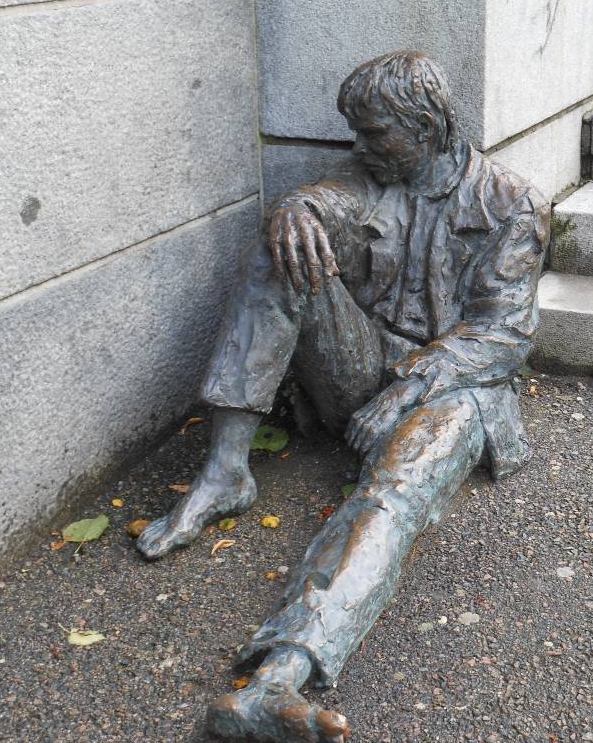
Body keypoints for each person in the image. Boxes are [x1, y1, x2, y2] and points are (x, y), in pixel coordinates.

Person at [136, 50, 548, 742]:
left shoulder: (514, 204)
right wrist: (293, 207)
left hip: (455, 389)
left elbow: (503, 335)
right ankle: (226, 471)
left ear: (427, 127)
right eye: (355, 132)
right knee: (283, 249)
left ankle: (280, 677)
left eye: (374, 132)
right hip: (359, 370)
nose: (358, 146)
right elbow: (327, 198)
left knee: (392, 494)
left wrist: (411, 386)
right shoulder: (368, 177)